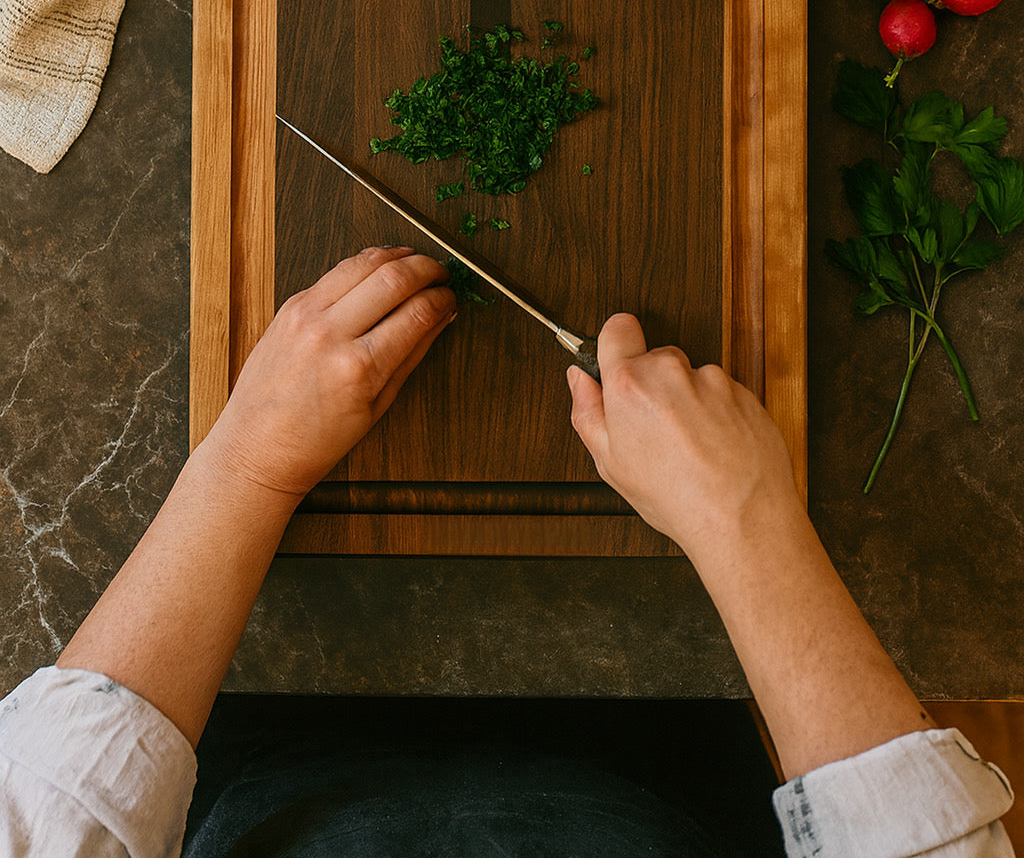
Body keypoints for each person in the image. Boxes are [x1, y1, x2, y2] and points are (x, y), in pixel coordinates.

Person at [0, 246, 1013, 856]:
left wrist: (251, 463)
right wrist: (746, 517)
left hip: (276, 790)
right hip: (673, 802)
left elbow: (42, 825)